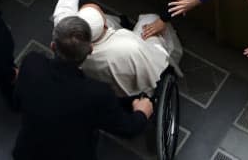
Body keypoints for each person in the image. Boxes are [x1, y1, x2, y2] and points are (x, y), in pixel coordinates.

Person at [12, 15, 153, 160]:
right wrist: (142, 112)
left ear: (53, 45)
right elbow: (128, 128)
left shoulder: (32, 62)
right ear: (90, 50)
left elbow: (17, 100)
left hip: (27, 153)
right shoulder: (99, 94)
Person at [52, 0, 181, 97]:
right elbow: (152, 62)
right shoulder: (128, 47)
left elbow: (64, 8)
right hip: (127, 83)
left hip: (98, 74)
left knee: (110, 19)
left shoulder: (64, 30)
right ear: (105, 27)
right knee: (151, 20)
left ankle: (120, 23)